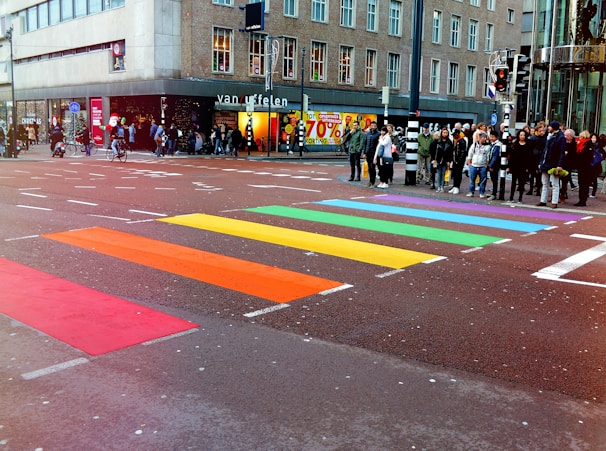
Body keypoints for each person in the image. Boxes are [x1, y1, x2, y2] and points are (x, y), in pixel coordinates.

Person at [537, 121, 566, 208]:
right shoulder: (549, 136)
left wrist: (559, 164)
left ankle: (554, 201)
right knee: (545, 183)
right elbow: (545, 151)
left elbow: (561, 152)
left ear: (553, 128)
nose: (548, 128)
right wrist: (541, 162)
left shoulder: (561, 137)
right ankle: (543, 200)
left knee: (555, 183)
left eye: (549, 127)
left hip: (554, 163)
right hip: (546, 162)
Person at [507, 129, 532, 203]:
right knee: (513, 183)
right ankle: (511, 197)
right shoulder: (515, 144)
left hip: (523, 166)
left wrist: (528, 167)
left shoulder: (528, 145)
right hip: (515, 166)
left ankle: (520, 198)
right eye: (521, 135)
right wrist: (509, 166)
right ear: (518, 136)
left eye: (524, 135)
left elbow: (530, 157)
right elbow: (510, 156)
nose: (522, 136)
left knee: (521, 183)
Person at [429, 127, 454, 193]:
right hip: (438, 160)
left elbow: (450, 152)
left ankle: (442, 186)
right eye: (444, 132)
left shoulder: (449, 142)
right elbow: (432, 151)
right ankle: (439, 186)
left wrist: (449, 161)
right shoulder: (437, 142)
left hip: (446, 160)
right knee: (439, 173)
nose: (445, 134)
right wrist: (433, 159)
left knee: (443, 173)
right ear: (441, 133)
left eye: (446, 133)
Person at [466, 132, 490, 197]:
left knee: (483, 181)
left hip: (482, 166)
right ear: (480, 138)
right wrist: (469, 164)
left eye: (486, 138)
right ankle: (471, 192)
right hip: (473, 165)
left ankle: (481, 193)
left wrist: (486, 165)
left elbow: (488, 157)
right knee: (472, 180)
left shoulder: (487, 147)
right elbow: (470, 154)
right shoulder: (474, 145)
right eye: (484, 137)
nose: (485, 139)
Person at [574, 130, 593, 207]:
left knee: (584, 184)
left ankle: (583, 200)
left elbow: (587, 157)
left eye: (581, 136)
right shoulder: (581, 144)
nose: (580, 138)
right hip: (581, 166)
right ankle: (581, 199)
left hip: (585, 167)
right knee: (581, 183)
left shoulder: (588, 145)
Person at [527, 121, 545, 195]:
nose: (542, 132)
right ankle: (531, 189)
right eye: (540, 131)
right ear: (536, 131)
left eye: (542, 131)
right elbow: (530, 149)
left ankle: (538, 189)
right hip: (533, 158)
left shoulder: (544, 138)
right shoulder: (532, 138)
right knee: (532, 174)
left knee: (539, 175)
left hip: (540, 157)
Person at [560, 128, 577, 202]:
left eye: (567, 135)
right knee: (556, 180)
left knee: (565, 181)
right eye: (565, 135)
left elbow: (574, 155)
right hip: (561, 163)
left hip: (568, 165)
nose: (565, 137)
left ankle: (563, 195)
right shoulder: (562, 142)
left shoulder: (574, 144)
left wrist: (568, 153)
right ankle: (554, 195)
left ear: (571, 136)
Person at [449, 130, 468, 195]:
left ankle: (457, 187)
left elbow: (463, 151)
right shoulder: (454, 141)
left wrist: (459, 160)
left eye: (455, 135)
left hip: (459, 161)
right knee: (454, 173)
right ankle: (454, 186)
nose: (454, 136)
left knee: (458, 173)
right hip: (454, 159)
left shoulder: (462, 141)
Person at [486, 130, 502, 200]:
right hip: (493, 164)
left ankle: (494, 194)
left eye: (493, 137)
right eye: (490, 136)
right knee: (493, 179)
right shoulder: (492, 144)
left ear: (496, 137)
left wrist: (491, 165)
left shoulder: (497, 145)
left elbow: (495, 156)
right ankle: (493, 193)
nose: (491, 138)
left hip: (495, 165)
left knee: (494, 179)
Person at [363, 120, 380, 187]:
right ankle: (370, 181)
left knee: (373, 167)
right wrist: (364, 153)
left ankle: (373, 182)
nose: (373, 127)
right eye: (372, 126)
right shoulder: (367, 133)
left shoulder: (378, 134)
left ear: (376, 127)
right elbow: (365, 143)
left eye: (374, 126)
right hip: (368, 153)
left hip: (374, 153)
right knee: (369, 168)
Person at [588, 132, 605, 198]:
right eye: (592, 138)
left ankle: (593, 193)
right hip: (589, 164)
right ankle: (587, 192)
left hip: (596, 165)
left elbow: (604, 154)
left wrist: (599, 158)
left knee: (594, 179)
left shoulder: (599, 146)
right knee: (588, 178)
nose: (593, 139)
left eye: (594, 138)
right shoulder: (588, 145)